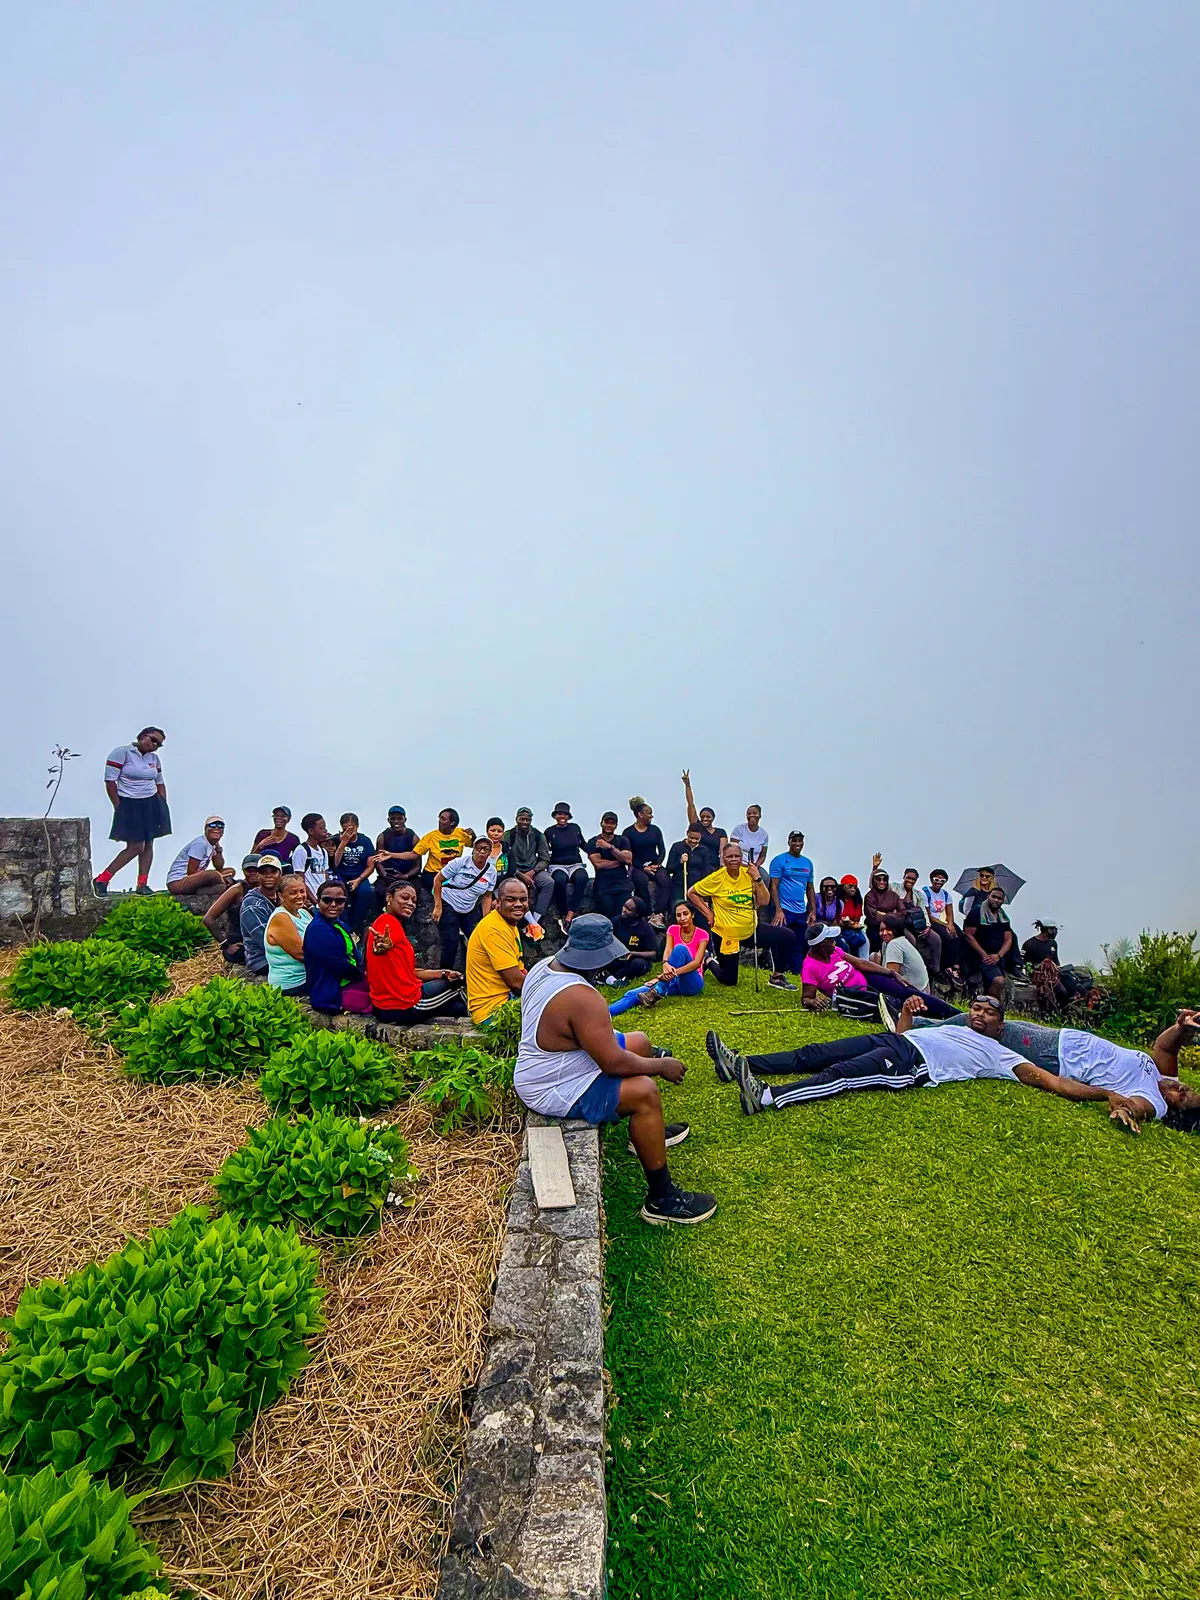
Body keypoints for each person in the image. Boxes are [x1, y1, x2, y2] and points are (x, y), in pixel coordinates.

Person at [515, 914, 715, 1225]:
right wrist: (661, 1066)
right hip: (552, 1086)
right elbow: (613, 1063)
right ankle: (662, 1199)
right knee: (644, 1092)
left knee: (640, 1042)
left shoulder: (545, 966)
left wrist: (648, 1058)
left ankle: (646, 1136)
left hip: (552, 1064)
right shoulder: (582, 997)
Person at [912, 1003, 1200, 1133]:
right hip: (1062, 1037)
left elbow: (1136, 1106)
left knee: (992, 1028)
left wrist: (1126, 1110)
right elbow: (1165, 1047)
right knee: (989, 1021)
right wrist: (1182, 1028)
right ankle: (926, 1018)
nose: (1180, 1087)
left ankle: (916, 1024)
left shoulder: (1153, 1101)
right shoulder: (1165, 1076)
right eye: (1187, 1087)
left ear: (1172, 1110)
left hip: (1056, 1055)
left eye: (1182, 1097)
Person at [687, 841, 797, 987]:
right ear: (723, 858)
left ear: (741, 858)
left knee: (788, 936)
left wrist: (758, 879)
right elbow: (691, 893)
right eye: (729, 856)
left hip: (751, 929)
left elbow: (764, 901)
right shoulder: (716, 878)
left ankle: (777, 977)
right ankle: (708, 959)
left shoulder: (749, 874)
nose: (733, 859)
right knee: (729, 981)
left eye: (736, 856)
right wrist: (708, 913)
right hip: (727, 933)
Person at [799, 924, 962, 1020]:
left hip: (867, 979)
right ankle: (948, 1021)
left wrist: (890, 973)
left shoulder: (835, 951)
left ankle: (960, 1016)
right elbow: (807, 997)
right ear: (821, 945)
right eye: (831, 940)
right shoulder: (810, 967)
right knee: (904, 1008)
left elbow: (860, 963)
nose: (835, 942)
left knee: (908, 992)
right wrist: (812, 1002)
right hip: (858, 996)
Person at [366, 880, 467, 1022]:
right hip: (403, 1004)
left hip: (384, 1008)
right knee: (461, 982)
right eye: (404, 897)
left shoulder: (386, 923)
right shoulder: (388, 923)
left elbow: (410, 971)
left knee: (457, 1008)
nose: (410, 903)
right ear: (389, 898)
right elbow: (384, 945)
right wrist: (383, 948)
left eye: (414, 900)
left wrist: (443, 973)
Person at [93, 728, 171, 895]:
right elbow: (110, 781)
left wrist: (162, 802)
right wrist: (118, 805)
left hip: (150, 802)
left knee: (149, 842)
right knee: (136, 846)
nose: (155, 745)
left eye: (159, 744)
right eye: (153, 740)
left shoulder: (154, 759)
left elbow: (159, 781)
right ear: (143, 736)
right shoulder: (122, 753)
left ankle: (142, 883)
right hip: (129, 801)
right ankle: (103, 878)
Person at [609, 902, 710, 1017]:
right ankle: (605, 1013)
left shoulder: (702, 934)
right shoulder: (673, 929)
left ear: (692, 915)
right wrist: (665, 964)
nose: (682, 918)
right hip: (672, 980)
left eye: (685, 914)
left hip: (692, 982)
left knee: (680, 949)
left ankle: (659, 989)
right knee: (632, 994)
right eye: (678, 915)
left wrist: (666, 977)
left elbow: (697, 963)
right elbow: (667, 952)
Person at [465, 877, 529, 1026]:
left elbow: (521, 971)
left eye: (523, 899)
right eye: (511, 900)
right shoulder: (494, 929)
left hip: (506, 998)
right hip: (493, 1012)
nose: (518, 904)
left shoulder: (508, 923)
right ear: (498, 902)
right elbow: (517, 984)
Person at [433, 836, 497, 969]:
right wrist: (438, 906)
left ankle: (476, 972)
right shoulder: (460, 863)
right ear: (473, 850)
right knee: (451, 942)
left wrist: (486, 920)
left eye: (485, 849)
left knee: (478, 939)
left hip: (469, 907)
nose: (481, 852)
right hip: (449, 901)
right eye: (478, 848)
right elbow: (438, 880)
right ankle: (445, 974)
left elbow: (487, 896)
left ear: (490, 852)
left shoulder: (491, 871)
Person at [303, 879, 365, 1014]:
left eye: (339, 901)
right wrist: (362, 975)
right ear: (318, 901)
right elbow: (337, 964)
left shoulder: (340, 925)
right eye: (327, 900)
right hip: (331, 996)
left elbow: (355, 956)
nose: (333, 904)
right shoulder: (317, 929)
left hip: (347, 984)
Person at [203, 853, 264, 961]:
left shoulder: (268, 889)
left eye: (256, 870)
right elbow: (208, 919)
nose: (253, 873)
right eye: (249, 870)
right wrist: (225, 945)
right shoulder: (237, 889)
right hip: (239, 941)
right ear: (244, 871)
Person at [624, 797, 672, 927]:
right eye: (649, 813)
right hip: (638, 866)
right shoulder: (628, 832)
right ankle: (648, 914)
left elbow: (662, 849)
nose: (652, 816)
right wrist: (643, 868)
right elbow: (629, 856)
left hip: (654, 863)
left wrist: (659, 863)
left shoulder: (655, 830)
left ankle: (659, 913)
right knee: (641, 882)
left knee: (666, 882)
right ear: (640, 814)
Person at [501, 808, 554, 925]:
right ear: (516, 819)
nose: (525, 822)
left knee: (548, 882)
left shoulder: (538, 835)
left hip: (533, 870)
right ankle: (525, 921)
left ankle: (535, 920)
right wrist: (520, 874)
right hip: (514, 871)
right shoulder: (509, 836)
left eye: (528, 820)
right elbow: (503, 859)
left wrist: (533, 871)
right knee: (513, 888)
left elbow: (545, 859)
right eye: (522, 819)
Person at [264, 874, 312, 996]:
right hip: (292, 983)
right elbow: (301, 954)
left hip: (307, 977)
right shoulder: (281, 917)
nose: (299, 896)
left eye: (302, 891)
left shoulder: (303, 912)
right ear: (281, 895)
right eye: (293, 893)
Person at [545, 803, 590, 927]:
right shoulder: (550, 832)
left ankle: (570, 914)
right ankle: (563, 914)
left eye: (565, 814)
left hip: (575, 863)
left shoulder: (575, 828)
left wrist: (596, 850)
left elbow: (584, 845)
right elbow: (545, 851)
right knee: (559, 881)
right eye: (560, 814)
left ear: (569, 816)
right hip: (557, 865)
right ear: (555, 816)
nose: (562, 816)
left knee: (582, 878)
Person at [963, 885, 1012, 998]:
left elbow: (1008, 938)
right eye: (993, 897)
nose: (996, 900)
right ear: (988, 896)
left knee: (996, 982)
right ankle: (990, 1004)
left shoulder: (1003, 916)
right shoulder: (976, 912)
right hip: (979, 956)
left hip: (997, 956)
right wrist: (985, 956)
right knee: (998, 981)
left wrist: (998, 956)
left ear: (1003, 901)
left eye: (999, 898)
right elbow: (969, 935)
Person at [332, 812, 377, 934]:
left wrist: (358, 880)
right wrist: (342, 843)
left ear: (357, 826)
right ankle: (344, 925)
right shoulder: (336, 839)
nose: (349, 831)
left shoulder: (365, 841)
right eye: (345, 828)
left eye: (351, 828)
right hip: (340, 875)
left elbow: (371, 865)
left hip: (359, 876)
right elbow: (335, 863)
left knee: (365, 892)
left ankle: (355, 925)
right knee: (339, 895)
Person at [238, 855, 284, 976]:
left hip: (281, 953)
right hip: (262, 959)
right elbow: (267, 941)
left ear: (281, 874)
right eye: (263, 872)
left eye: (273, 872)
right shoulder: (252, 904)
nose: (268, 876)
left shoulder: (281, 897)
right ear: (258, 876)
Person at [166, 817, 235, 897]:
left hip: (195, 879)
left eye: (220, 826)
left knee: (230, 871)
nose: (216, 828)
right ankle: (215, 885)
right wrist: (218, 876)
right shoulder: (200, 843)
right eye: (212, 825)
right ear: (206, 829)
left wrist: (218, 848)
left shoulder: (211, 846)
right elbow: (191, 872)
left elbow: (219, 866)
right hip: (178, 882)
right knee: (213, 875)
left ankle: (205, 889)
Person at [768, 831, 817, 942]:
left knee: (799, 944)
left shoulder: (807, 863)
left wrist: (813, 911)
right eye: (794, 840)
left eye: (800, 840)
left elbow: (810, 888)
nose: (797, 843)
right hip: (784, 908)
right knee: (780, 941)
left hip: (800, 910)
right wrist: (778, 909)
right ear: (789, 842)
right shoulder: (779, 860)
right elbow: (774, 886)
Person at [414, 809, 474, 895]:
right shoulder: (430, 837)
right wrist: (392, 855)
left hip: (452, 872)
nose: (439, 821)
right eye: (439, 818)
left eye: (443, 819)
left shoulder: (461, 833)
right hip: (432, 873)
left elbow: (475, 845)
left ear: (452, 823)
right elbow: (414, 854)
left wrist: (473, 834)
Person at [666, 825, 718, 924]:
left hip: (697, 888)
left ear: (701, 837)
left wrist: (705, 897)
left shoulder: (704, 850)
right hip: (679, 886)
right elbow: (669, 869)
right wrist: (680, 862)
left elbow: (706, 871)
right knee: (678, 914)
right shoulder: (677, 847)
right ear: (687, 833)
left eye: (696, 839)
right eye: (691, 838)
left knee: (698, 917)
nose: (693, 841)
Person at [587, 814, 634, 923]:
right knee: (608, 917)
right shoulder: (594, 842)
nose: (609, 825)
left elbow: (628, 859)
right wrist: (619, 860)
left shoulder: (622, 840)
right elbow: (598, 864)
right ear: (601, 823)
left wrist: (610, 847)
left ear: (616, 825)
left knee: (624, 916)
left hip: (622, 884)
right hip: (603, 886)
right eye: (606, 822)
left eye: (612, 823)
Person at [373, 806, 421, 909]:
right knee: (380, 892)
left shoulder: (413, 837)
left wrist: (405, 876)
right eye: (393, 818)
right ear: (388, 820)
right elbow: (378, 861)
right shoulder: (383, 836)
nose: (396, 821)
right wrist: (385, 875)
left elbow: (417, 866)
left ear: (405, 820)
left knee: (414, 892)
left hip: (408, 875)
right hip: (388, 875)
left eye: (399, 818)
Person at [921, 869, 963, 979]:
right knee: (946, 937)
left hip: (943, 920)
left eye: (942, 880)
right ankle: (946, 965)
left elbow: (949, 912)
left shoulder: (945, 894)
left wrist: (950, 924)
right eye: (936, 879)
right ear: (931, 880)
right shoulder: (925, 892)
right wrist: (946, 926)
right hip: (932, 921)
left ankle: (957, 964)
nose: (939, 882)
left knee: (959, 935)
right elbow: (929, 915)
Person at [611, 896, 661, 979]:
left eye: (629, 909)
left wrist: (634, 953)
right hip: (618, 957)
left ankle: (615, 977)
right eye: (624, 906)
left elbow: (653, 953)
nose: (624, 910)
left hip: (637, 958)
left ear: (637, 914)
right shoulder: (616, 921)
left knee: (637, 964)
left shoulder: (646, 928)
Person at [863, 857, 905, 954]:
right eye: (878, 879)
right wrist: (893, 914)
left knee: (910, 940)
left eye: (884, 879)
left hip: (894, 928)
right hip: (875, 928)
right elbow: (873, 918)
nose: (882, 882)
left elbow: (903, 913)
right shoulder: (870, 896)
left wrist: (884, 914)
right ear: (874, 881)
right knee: (876, 945)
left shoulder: (894, 895)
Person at [292, 814, 333, 900]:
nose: (325, 830)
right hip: (310, 899)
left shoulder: (323, 852)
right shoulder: (301, 850)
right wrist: (314, 901)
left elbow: (326, 877)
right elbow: (300, 879)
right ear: (311, 831)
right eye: (321, 828)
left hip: (322, 898)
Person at [730, 804, 769, 873]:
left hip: (754, 866)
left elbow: (763, 855)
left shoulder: (764, 834)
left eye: (754, 813)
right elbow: (732, 850)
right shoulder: (739, 829)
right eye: (749, 814)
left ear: (759, 816)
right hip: (738, 864)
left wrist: (757, 864)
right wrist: (741, 864)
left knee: (765, 878)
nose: (751, 815)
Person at [836, 875, 868, 955]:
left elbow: (857, 920)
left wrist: (852, 924)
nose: (853, 889)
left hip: (852, 929)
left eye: (855, 887)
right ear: (843, 886)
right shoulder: (836, 900)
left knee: (865, 942)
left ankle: (864, 963)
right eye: (850, 886)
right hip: (839, 929)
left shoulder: (856, 900)